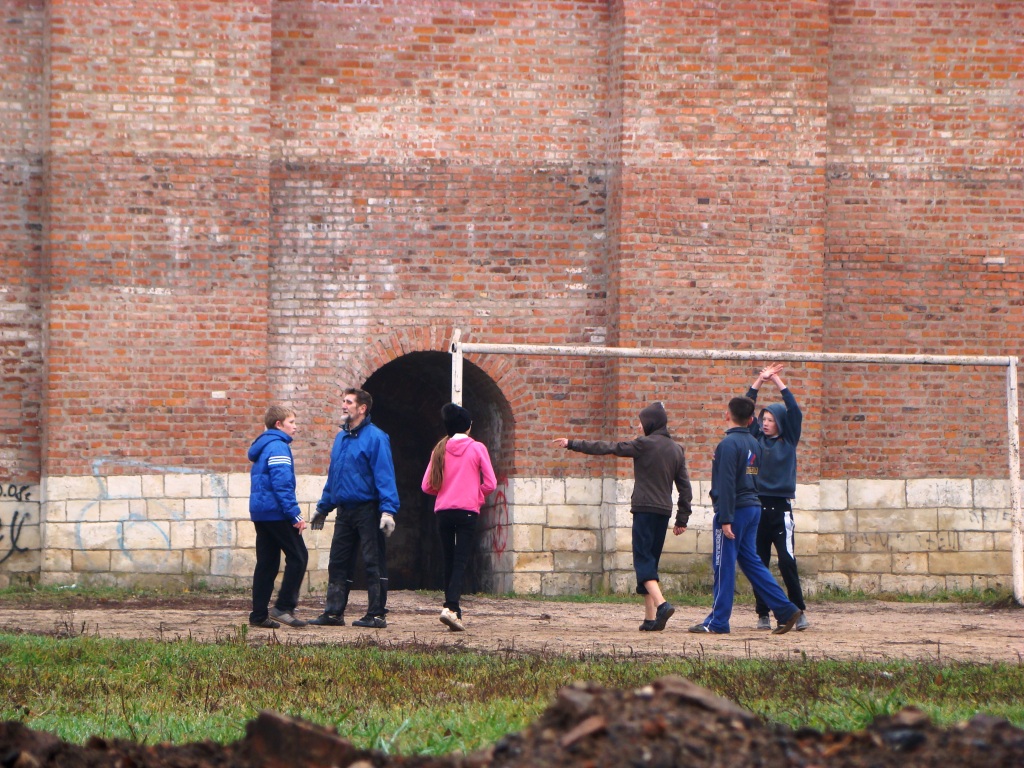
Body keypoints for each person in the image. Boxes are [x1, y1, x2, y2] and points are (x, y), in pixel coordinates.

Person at [553, 402, 692, 632]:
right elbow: (685, 488)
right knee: (651, 560)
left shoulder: (643, 444)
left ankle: (662, 605)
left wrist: (572, 444)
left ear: (651, 422)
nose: (638, 425)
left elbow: (608, 447)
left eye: (641, 420)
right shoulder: (677, 449)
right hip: (664, 512)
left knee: (642, 560)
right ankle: (650, 619)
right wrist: (682, 518)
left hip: (644, 509)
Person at [689, 396, 803, 635]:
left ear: (727, 415)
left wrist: (726, 517)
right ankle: (786, 609)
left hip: (735, 510)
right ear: (752, 420)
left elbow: (728, 482)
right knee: (752, 562)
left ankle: (718, 621)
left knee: (723, 564)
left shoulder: (728, 444)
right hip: (753, 507)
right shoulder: (755, 442)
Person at [309, 388, 399, 629]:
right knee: (338, 561)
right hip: (344, 510)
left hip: (368, 509)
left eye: (348, 402)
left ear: (362, 408)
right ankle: (333, 613)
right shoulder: (341, 438)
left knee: (373, 561)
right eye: (343, 401)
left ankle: (376, 614)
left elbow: (385, 475)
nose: (343, 406)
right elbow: (334, 476)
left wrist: (388, 510)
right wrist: (323, 507)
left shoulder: (376, 437)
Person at [421, 403, 497, 632]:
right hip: (467, 511)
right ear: (467, 426)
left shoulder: (439, 449)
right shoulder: (477, 448)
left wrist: (446, 492)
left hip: (443, 511)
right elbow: (491, 483)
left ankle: (455, 613)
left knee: (448, 560)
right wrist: (475, 493)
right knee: (461, 561)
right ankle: (450, 605)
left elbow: (426, 486)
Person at [745, 363, 809, 631]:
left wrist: (778, 382)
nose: (766, 424)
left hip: (781, 510)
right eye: (764, 420)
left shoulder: (789, 440)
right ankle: (762, 613)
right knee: (759, 562)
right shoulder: (756, 439)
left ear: (780, 423)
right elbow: (745, 409)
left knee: (787, 561)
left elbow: (794, 410)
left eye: (771, 420)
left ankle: (799, 611)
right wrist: (759, 381)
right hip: (758, 509)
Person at [247, 404, 309, 629]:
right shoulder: (278, 447)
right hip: (276, 512)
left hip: (261, 512)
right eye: (292, 422)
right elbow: (281, 484)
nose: (295, 427)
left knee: (267, 563)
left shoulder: (263, 446)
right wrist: (295, 515)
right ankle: (283, 607)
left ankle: (258, 615)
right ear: (278, 424)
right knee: (299, 556)